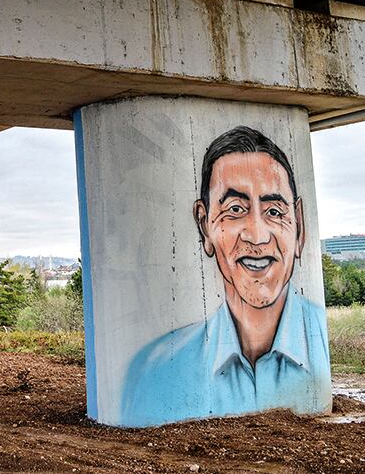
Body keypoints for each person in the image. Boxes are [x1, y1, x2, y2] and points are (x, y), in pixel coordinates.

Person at [120, 126, 329, 427]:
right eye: (235, 209)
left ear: (299, 226)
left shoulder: (321, 343)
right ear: (204, 225)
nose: (257, 236)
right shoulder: (157, 371)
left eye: (273, 211)